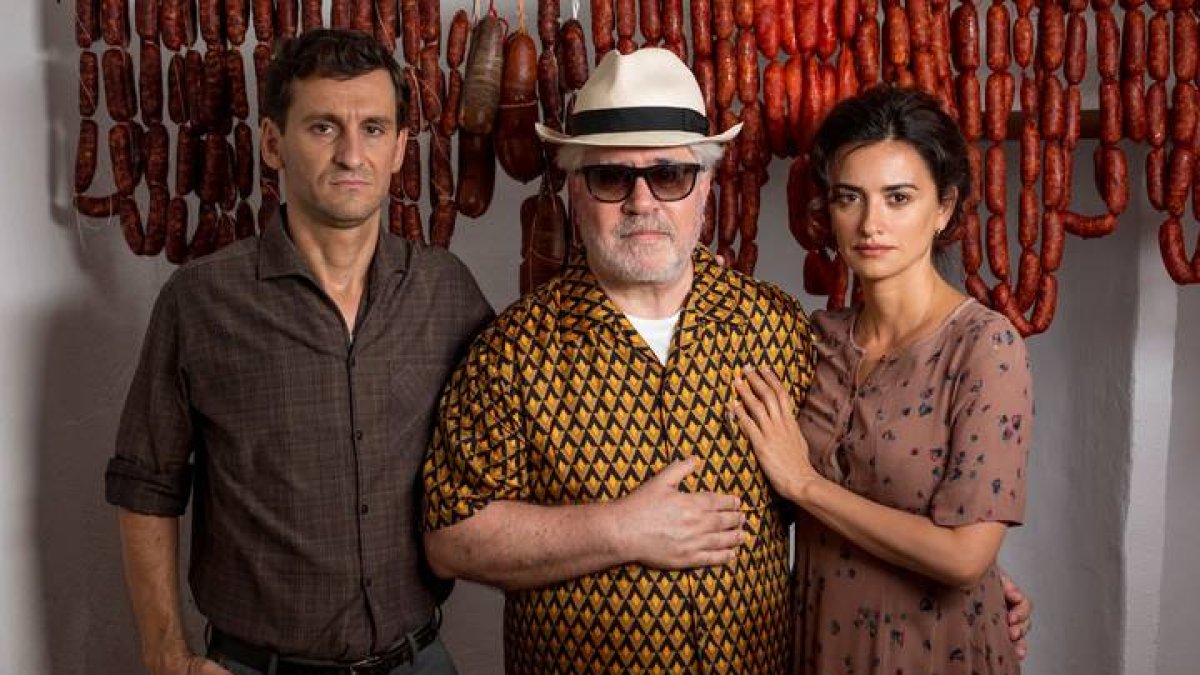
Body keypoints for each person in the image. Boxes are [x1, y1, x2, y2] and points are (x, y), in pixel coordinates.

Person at [420, 50, 1029, 675]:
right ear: (575, 189)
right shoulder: (510, 351)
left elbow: (856, 480)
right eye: (609, 178)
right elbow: (450, 539)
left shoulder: (781, 330)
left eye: (670, 176)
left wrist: (969, 577)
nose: (641, 201)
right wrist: (618, 531)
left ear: (706, 186)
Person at [105, 29, 492, 675]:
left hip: (418, 659)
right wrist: (164, 652)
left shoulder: (446, 290)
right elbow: (147, 483)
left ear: (399, 149)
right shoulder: (201, 300)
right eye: (322, 127)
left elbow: (525, 419)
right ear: (272, 143)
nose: (350, 153)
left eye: (373, 128)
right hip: (258, 664)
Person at [730, 85, 1034, 675]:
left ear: (943, 208)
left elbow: (965, 558)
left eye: (898, 197)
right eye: (851, 198)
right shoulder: (813, 339)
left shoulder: (985, 347)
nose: (872, 223)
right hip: (819, 644)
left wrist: (806, 484)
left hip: (933, 651)